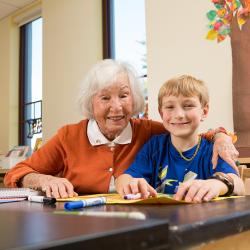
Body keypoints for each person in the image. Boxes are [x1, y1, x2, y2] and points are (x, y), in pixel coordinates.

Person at [4, 60, 239, 198]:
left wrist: (221, 135)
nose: (116, 107)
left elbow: (185, 130)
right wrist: (44, 180)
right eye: (105, 98)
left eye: (124, 95)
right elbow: (17, 173)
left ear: (134, 98)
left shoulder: (149, 131)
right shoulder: (69, 136)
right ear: (90, 102)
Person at [115, 75, 245, 202]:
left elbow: (239, 185)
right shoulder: (154, 146)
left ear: (204, 112)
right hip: (163, 221)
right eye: (170, 107)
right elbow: (124, 178)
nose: (179, 115)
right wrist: (129, 183)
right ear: (161, 113)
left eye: (188, 106)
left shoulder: (213, 149)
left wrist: (217, 184)